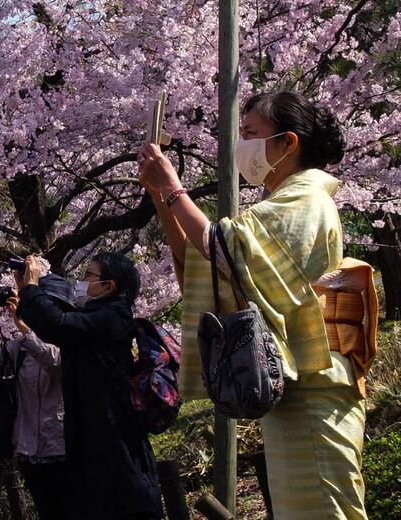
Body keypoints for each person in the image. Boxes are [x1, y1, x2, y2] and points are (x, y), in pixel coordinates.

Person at [138, 90, 369, 518]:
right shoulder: (281, 202)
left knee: (325, 508)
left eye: (250, 133)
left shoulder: (308, 198)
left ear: (287, 143)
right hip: (296, 384)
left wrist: (172, 189)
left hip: (318, 384)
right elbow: (203, 265)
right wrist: (160, 196)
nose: (241, 145)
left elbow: (224, 250)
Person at [16, 253, 163, 520]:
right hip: (95, 437)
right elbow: (55, 323)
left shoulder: (114, 316)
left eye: (89, 275)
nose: (81, 281)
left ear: (110, 285)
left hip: (115, 438)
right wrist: (26, 291)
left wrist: (32, 289)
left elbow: (58, 325)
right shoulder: (95, 316)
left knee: (128, 505)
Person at [0, 273, 73, 520]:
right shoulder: (20, 348)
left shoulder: (69, 339)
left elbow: (55, 363)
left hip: (63, 446)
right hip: (30, 448)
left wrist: (23, 327)